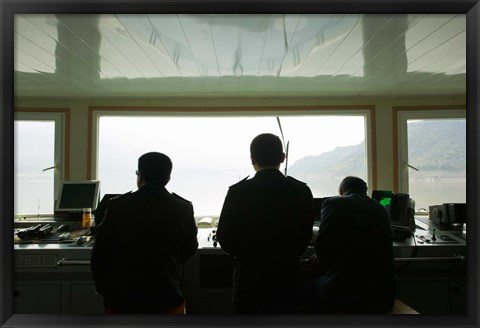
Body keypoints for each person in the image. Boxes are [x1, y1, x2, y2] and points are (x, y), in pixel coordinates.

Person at [216, 133, 314, 314]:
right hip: (287, 278)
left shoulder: (238, 192)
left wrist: (246, 255)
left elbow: (225, 237)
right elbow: (305, 236)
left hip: (249, 281)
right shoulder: (301, 191)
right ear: (282, 158)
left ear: (252, 159)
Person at [91, 152, 198, 314]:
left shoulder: (117, 206)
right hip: (168, 298)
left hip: (122, 300)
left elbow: (100, 254)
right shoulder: (183, 208)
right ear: (168, 178)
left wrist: (105, 291)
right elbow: (189, 249)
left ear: (140, 176)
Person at [305, 176, 397, 314]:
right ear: (365, 192)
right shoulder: (381, 209)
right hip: (384, 296)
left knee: (305, 288)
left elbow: (321, 247)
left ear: (341, 191)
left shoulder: (333, 204)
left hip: (344, 296)